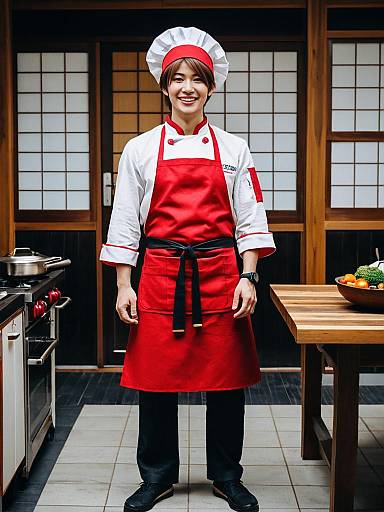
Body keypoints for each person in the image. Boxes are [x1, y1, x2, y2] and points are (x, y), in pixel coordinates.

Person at [100, 26, 276, 512]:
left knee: (226, 382)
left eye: (196, 79)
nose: (186, 87)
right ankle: (156, 477)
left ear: (210, 87)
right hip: (160, 272)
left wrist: (249, 275)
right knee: (155, 382)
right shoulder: (139, 149)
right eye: (176, 78)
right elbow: (125, 220)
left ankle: (225, 476)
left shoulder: (234, 149)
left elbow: (251, 217)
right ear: (163, 85)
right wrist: (123, 284)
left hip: (221, 272)